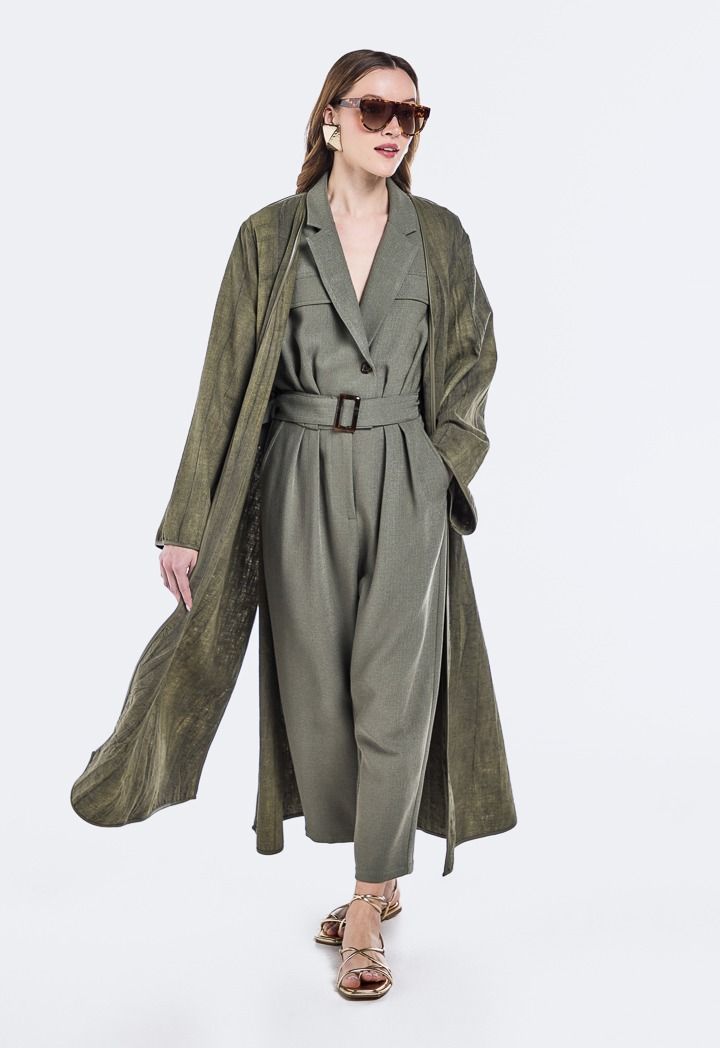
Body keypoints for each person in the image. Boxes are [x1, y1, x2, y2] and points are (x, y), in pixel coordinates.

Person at [79, 48, 516, 1003]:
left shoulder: (439, 236)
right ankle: (376, 870)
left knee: (393, 690)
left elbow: (474, 355)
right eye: (374, 109)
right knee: (317, 694)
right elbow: (224, 381)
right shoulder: (271, 236)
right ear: (330, 118)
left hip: (405, 473)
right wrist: (186, 521)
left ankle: (365, 907)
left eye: (412, 114)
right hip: (295, 473)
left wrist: (444, 464)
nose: (395, 128)